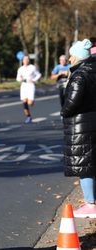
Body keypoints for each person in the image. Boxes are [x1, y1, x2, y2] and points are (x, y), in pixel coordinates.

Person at [61, 38, 96, 218]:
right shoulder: (93, 70)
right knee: (92, 162)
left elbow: (72, 102)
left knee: (84, 165)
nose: (69, 58)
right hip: (92, 121)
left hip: (81, 124)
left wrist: (64, 112)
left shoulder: (80, 75)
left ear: (79, 56)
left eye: (71, 55)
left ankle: (90, 204)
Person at [16, 55, 42, 123]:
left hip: (31, 85)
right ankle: (28, 116)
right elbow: (18, 78)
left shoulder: (32, 67)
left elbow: (39, 75)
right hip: (24, 85)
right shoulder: (20, 69)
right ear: (23, 60)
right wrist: (20, 79)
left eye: (27, 59)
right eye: (24, 59)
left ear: (29, 60)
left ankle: (30, 101)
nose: (26, 61)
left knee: (30, 103)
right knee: (24, 101)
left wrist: (34, 80)